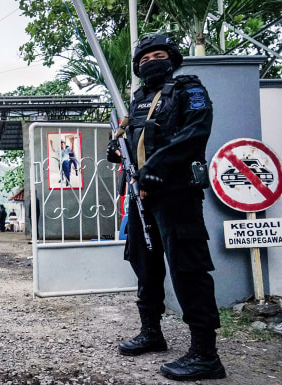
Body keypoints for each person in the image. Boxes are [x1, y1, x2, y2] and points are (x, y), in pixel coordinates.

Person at [106, 34, 225, 381]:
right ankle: (151, 333)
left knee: (188, 269)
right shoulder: (138, 100)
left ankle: (205, 354)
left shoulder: (189, 88)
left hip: (176, 194)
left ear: (172, 59)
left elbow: (195, 133)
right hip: (141, 195)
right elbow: (130, 144)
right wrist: (116, 151)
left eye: (158, 55)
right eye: (143, 59)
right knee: (145, 264)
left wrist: (155, 169)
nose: (151, 62)